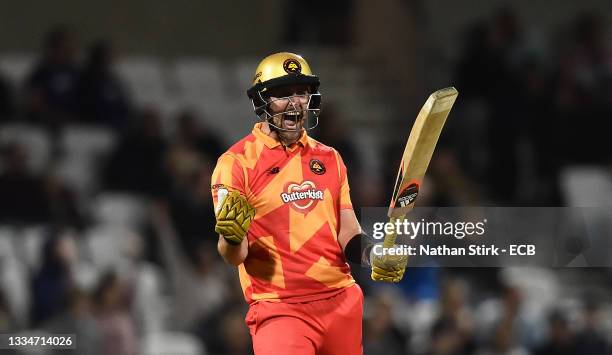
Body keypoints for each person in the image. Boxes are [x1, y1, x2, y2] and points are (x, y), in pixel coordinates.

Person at [211, 52, 407, 355]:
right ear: (260, 102)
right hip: (280, 308)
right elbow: (233, 255)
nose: (294, 102)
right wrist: (232, 237)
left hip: (341, 302)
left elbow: (348, 234)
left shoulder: (330, 158)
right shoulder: (236, 163)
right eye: (282, 93)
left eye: (301, 92)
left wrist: (373, 254)